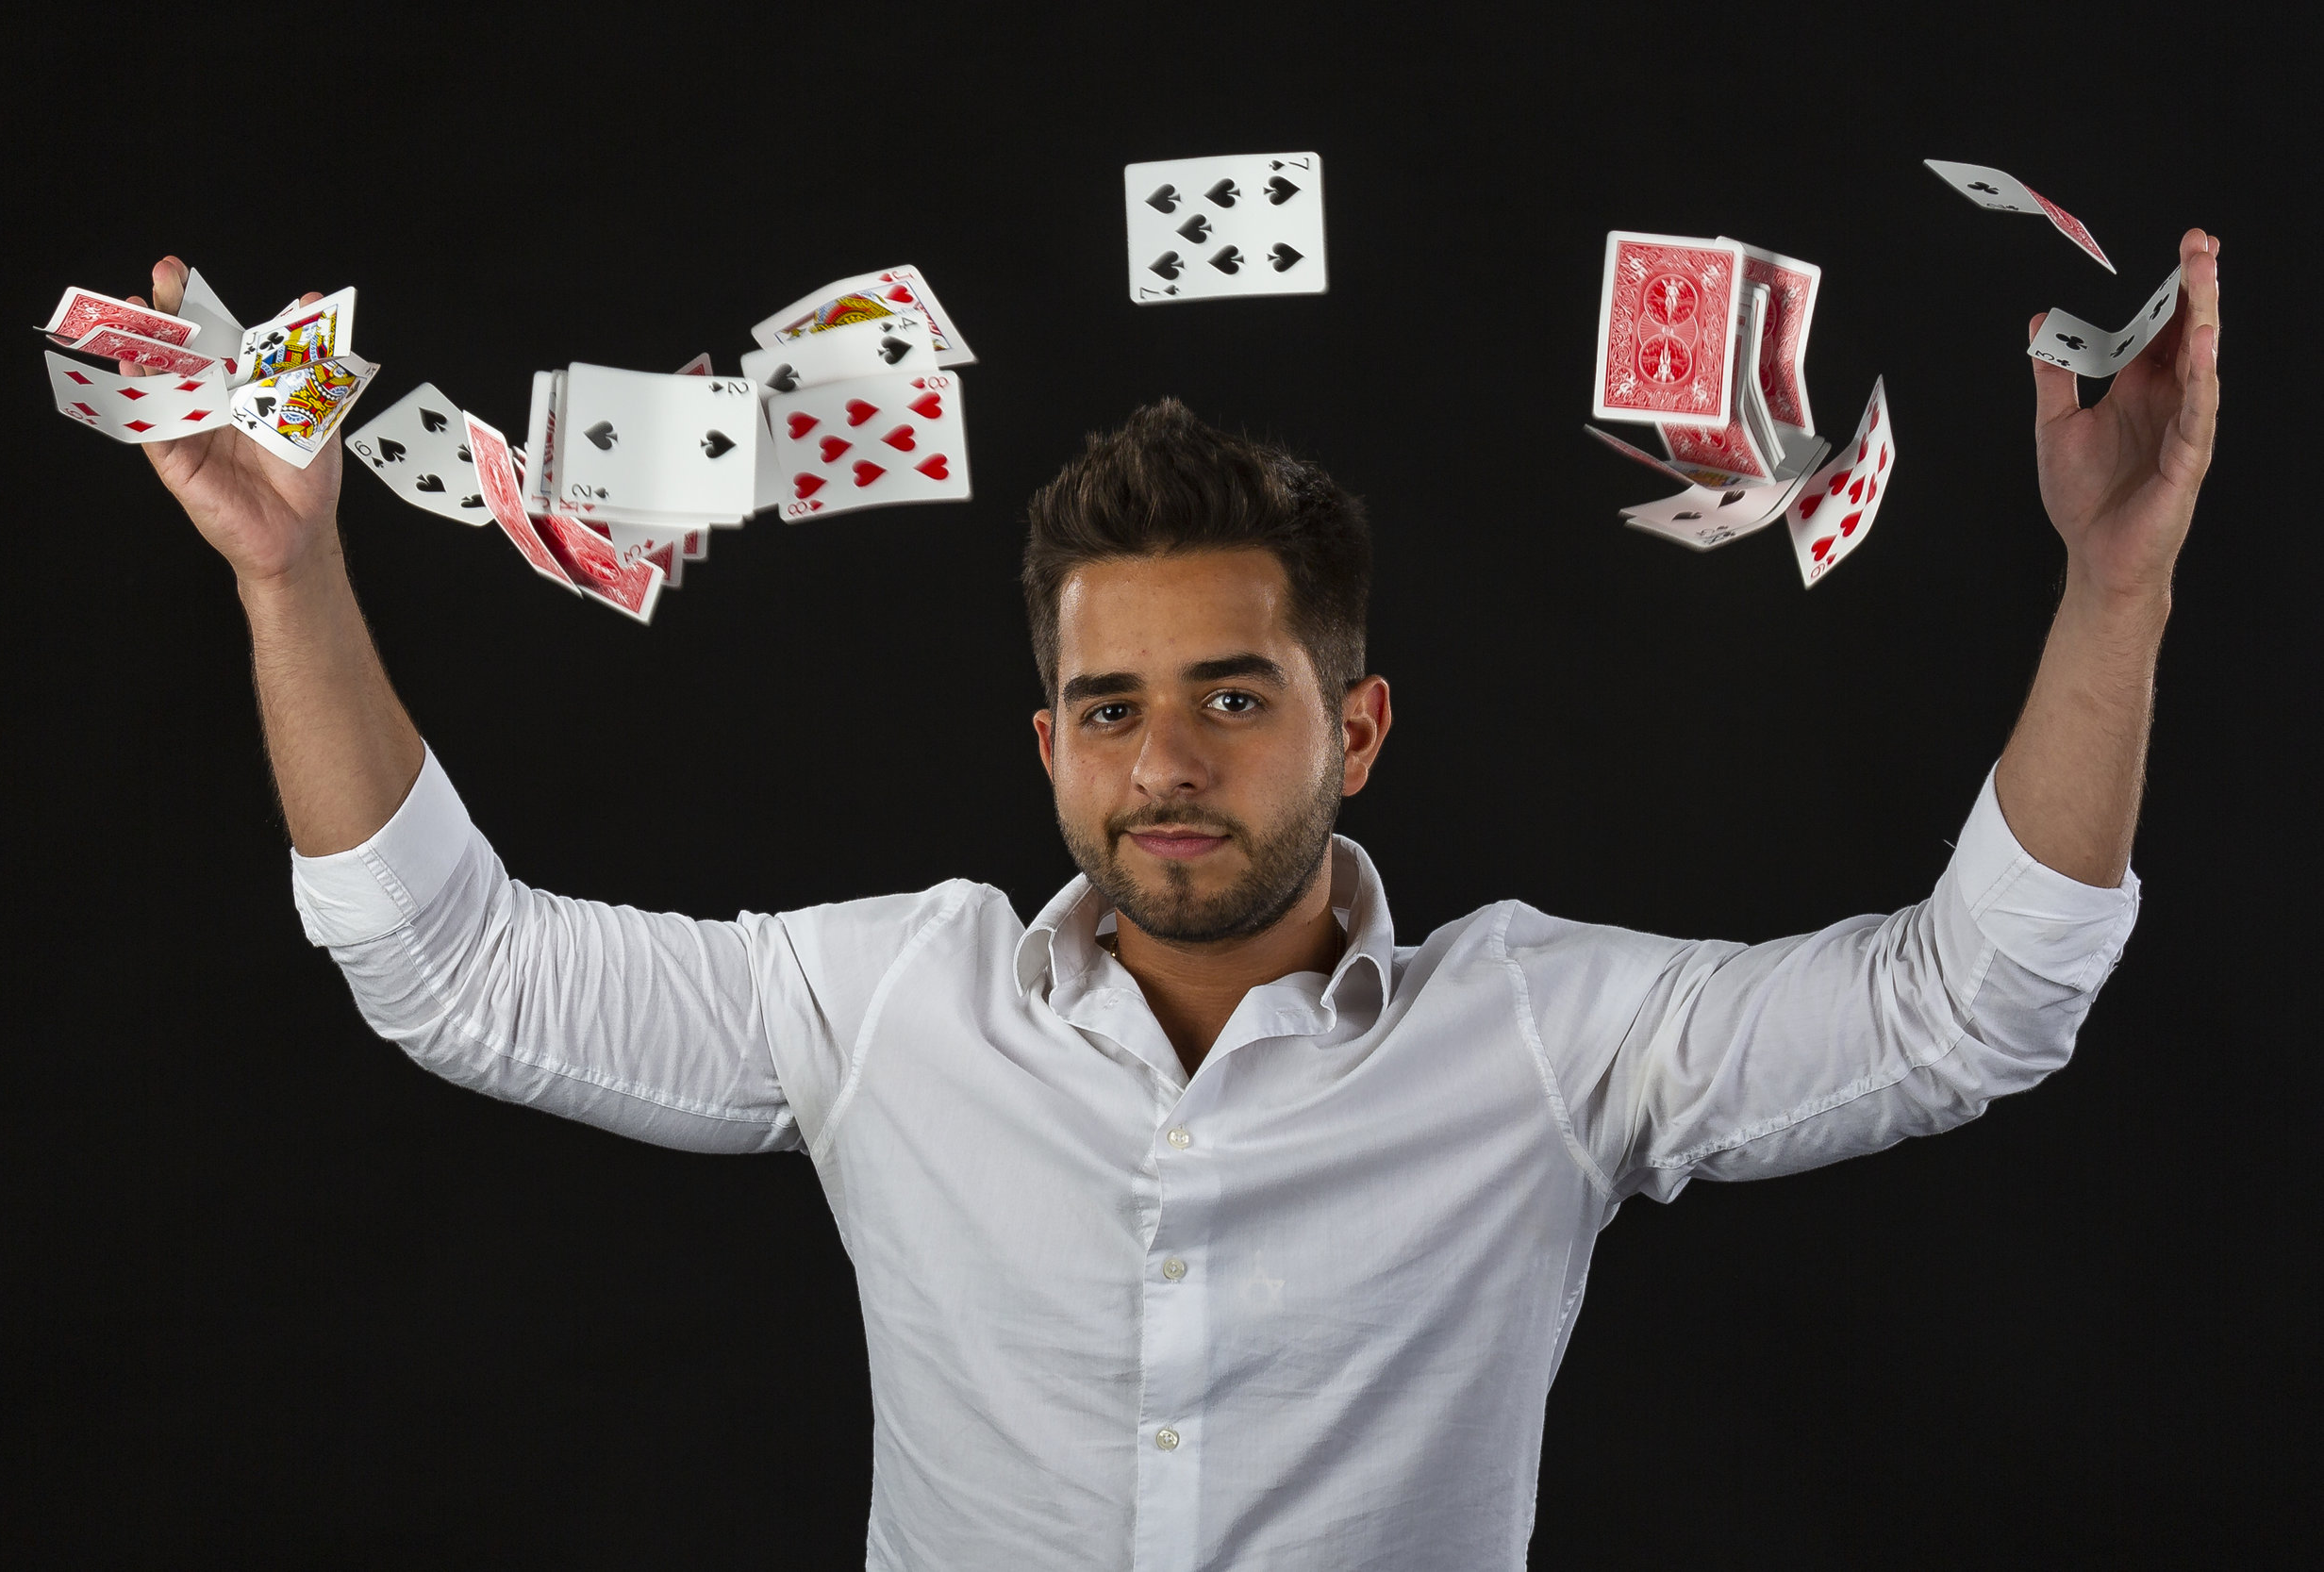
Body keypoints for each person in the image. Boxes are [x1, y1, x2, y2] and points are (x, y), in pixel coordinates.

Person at [119, 232, 2220, 1569]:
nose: (1163, 765)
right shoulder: (878, 1005)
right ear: (1043, 745)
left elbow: (1972, 1007)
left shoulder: (1552, 1041)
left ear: (1358, 729)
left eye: (1232, 696)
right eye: (1105, 709)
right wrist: (290, 575)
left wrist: (2112, 578)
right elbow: (451, 969)